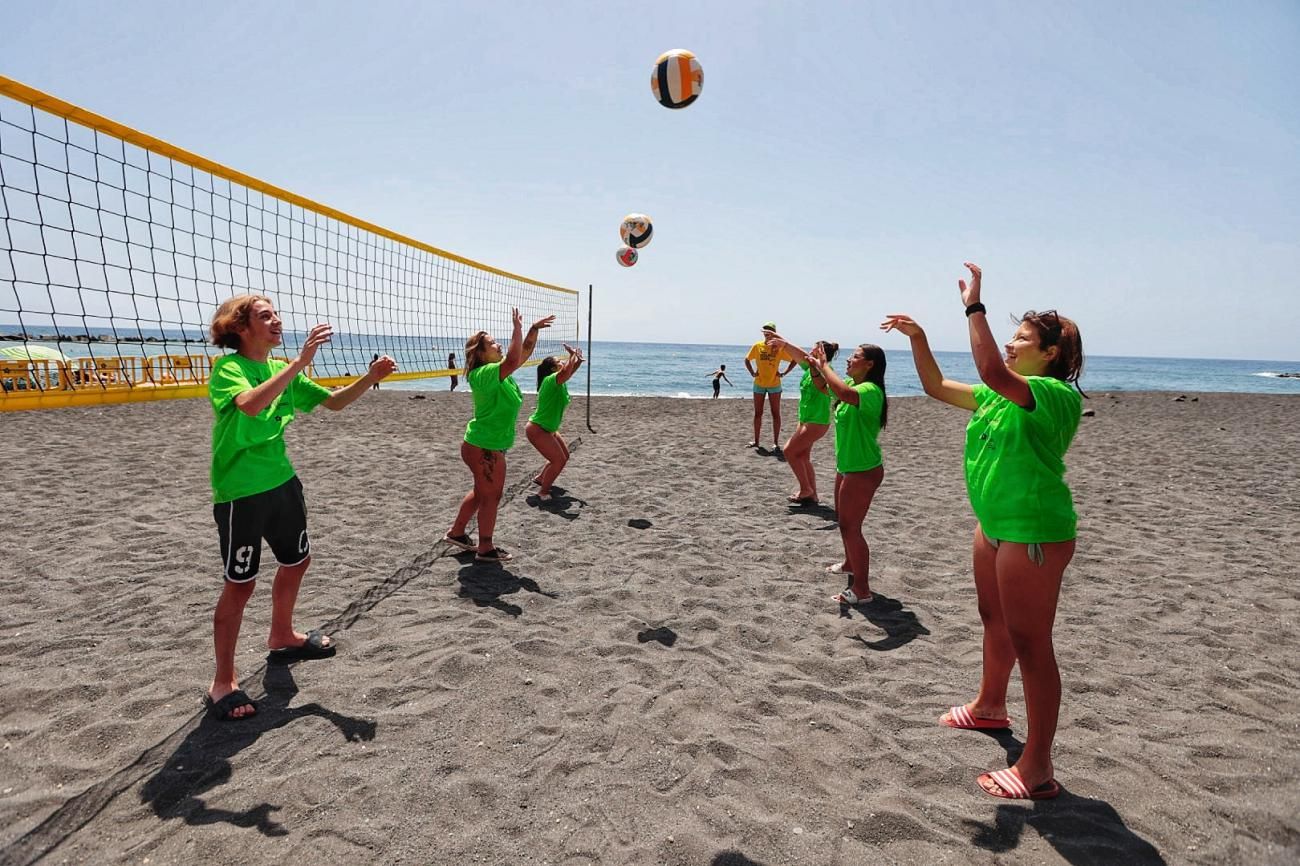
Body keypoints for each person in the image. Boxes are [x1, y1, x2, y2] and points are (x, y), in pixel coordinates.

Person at [881, 262, 1084, 802]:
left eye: (1022, 339)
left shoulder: (1054, 395)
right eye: (1012, 338)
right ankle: (989, 706)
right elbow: (934, 386)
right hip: (994, 527)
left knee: (1032, 643)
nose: (1013, 346)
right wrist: (920, 338)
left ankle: (1037, 767)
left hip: (1033, 531)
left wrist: (974, 307)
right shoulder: (1000, 394)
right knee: (993, 618)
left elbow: (994, 371)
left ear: (1052, 354)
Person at [204, 294, 397, 722]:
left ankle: (282, 635)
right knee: (241, 584)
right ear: (239, 327)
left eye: (276, 314)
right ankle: (223, 683)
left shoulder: (280, 368)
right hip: (241, 493)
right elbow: (251, 405)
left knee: (298, 561)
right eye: (265, 316)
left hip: (282, 483)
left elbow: (334, 402)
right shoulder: (228, 368)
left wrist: (370, 377)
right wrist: (300, 361)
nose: (277, 321)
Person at [770, 332, 888, 605]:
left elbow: (843, 393)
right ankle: (849, 563)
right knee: (844, 524)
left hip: (863, 470)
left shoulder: (869, 391)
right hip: (846, 466)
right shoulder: (849, 383)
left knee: (851, 527)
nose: (849, 359)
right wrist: (788, 346)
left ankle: (862, 590)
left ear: (870, 364)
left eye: (856, 356)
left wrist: (822, 365)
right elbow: (824, 385)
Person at [443, 308, 554, 563]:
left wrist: (532, 330)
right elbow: (514, 359)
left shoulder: (499, 373)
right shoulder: (483, 374)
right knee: (492, 496)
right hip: (484, 447)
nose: (498, 344)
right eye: (492, 343)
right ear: (480, 353)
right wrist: (516, 327)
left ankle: (457, 533)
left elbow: (521, 354)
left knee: (483, 492)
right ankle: (485, 548)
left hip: (487, 445)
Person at [769, 340, 839, 505]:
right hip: (805, 418)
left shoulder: (826, 371)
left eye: (814, 348)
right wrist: (780, 340)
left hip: (817, 420)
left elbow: (823, 384)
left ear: (821, 353)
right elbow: (797, 353)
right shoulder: (809, 369)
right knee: (802, 456)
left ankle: (805, 489)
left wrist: (783, 342)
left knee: (789, 451)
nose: (810, 350)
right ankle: (812, 495)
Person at [525, 343, 584, 500]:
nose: (563, 362)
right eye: (559, 361)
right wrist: (572, 356)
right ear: (552, 369)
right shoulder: (551, 380)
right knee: (558, 461)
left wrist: (577, 359)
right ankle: (543, 492)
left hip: (548, 428)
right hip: (537, 429)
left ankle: (540, 478)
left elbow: (568, 372)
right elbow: (566, 370)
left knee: (564, 456)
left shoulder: (559, 381)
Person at [745, 322, 797, 450]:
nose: (767, 333)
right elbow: (747, 359)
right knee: (758, 413)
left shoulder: (779, 348)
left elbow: (794, 359)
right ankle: (756, 441)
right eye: (765, 331)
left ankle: (775, 442)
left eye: (770, 331)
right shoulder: (757, 346)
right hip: (759, 384)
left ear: (774, 333)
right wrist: (752, 372)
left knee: (775, 413)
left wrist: (784, 373)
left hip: (774, 385)